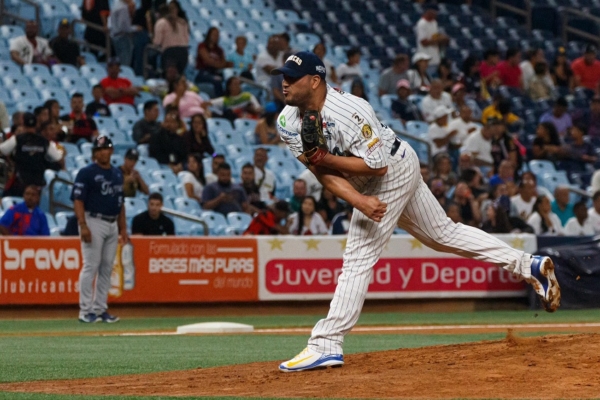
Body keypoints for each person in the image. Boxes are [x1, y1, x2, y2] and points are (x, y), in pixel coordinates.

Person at [272, 51, 560, 372]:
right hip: (370, 178)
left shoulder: (351, 110)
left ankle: (326, 343)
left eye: (291, 77)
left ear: (314, 81)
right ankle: (527, 265)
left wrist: (331, 166)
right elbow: (321, 173)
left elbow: (376, 167)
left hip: (391, 168)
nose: (284, 82)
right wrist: (356, 198)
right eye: (282, 75)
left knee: (358, 256)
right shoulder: (287, 121)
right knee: (443, 234)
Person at [72, 135, 126, 323]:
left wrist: (123, 229)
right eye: (100, 149)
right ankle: (85, 310)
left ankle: (100, 308)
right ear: (95, 153)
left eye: (106, 148)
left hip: (112, 223)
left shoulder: (117, 173)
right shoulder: (86, 172)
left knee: (106, 268)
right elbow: (78, 199)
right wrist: (82, 225)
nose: (104, 152)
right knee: (91, 266)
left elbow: (121, 202)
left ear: (111, 151)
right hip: (93, 220)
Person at [0, 113, 64, 196]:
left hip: (21, 184)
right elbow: (59, 159)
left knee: (5, 198)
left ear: (23, 123)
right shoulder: (44, 141)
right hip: (38, 185)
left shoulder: (17, 139)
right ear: (36, 124)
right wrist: (64, 169)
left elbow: (2, 150)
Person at [153, 0, 189, 75]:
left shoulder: (161, 22)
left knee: (169, 76)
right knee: (179, 76)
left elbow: (157, 42)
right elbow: (186, 39)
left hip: (169, 53)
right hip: (183, 52)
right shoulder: (183, 22)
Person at [195, 27, 232, 97]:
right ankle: (220, 100)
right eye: (214, 35)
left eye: (217, 35)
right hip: (203, 72)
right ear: (209, 35)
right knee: (217, 80)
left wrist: (217, 64)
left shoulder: (220, 50)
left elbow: (223, 63)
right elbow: (207, 60)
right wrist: (219, 64)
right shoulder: (202, 46)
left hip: (216, 72)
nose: (216, 37)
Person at [414, 3, 448, 68]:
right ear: (429, 12)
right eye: (435, 12)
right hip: (425, 58)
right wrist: (438, 40)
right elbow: (424, 42)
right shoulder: (422, 23)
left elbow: (434, 36)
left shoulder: (434, 22)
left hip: (435, 58)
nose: (436, 14)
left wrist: (441, 37)